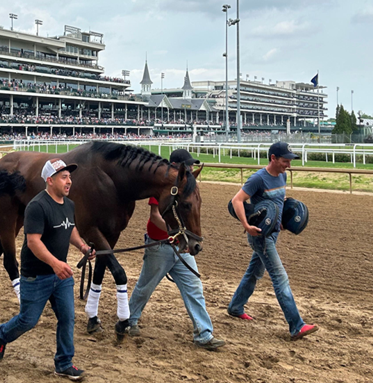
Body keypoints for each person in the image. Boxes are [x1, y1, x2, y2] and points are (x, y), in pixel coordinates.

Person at [0, 158, 95, 381]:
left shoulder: (69, 205)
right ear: (50, 180)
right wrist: (55, 264)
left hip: (61, 276)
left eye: (69, 177)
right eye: (64, 177)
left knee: (67, 318)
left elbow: (70, 228)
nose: (69, 181)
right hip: (36, 276)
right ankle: (1, 333)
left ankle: (64, 363)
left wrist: (83, 247)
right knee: (28, 320)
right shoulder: (37, 206)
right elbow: (33, 242)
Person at [123, 149, 226, 350]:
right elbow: (155, 215)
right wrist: (174, 234)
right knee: (145, 287)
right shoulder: (162, 186)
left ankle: (203, 333)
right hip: (160, 245)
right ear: (178, 166)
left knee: (194, 288)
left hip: (181, 247)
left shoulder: (189, 188)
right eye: (189, 165)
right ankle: (129, 320)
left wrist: (184, 237)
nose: (192, 168)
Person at [227, 141, 318, 341]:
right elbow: (236, 201)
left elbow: (278, 201)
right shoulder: (258, 179)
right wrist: (246, 225)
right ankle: (296, 325)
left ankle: (235, 306)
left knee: (254, 272)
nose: (288, 165)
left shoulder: (282, 175)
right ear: (273, 158)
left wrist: (282, 219)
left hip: (273, 233)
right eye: (285, 161)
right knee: (280, 277)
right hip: (261, 236)